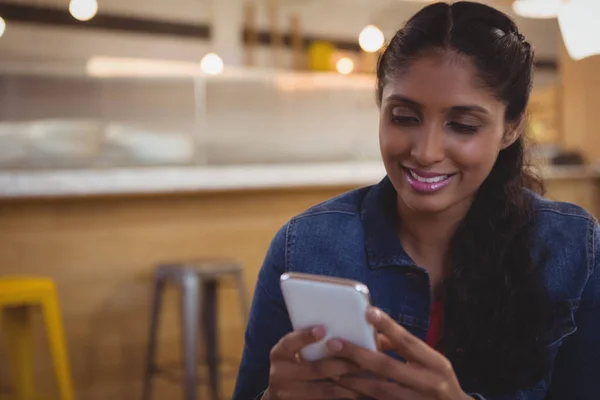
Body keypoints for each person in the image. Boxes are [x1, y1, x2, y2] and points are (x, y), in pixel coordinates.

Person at [233, 2, 600, 399]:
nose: (426, 152)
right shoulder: (303, 246)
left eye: (462, 125)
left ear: (511, 128)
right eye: (404, 117)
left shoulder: (574, 250)